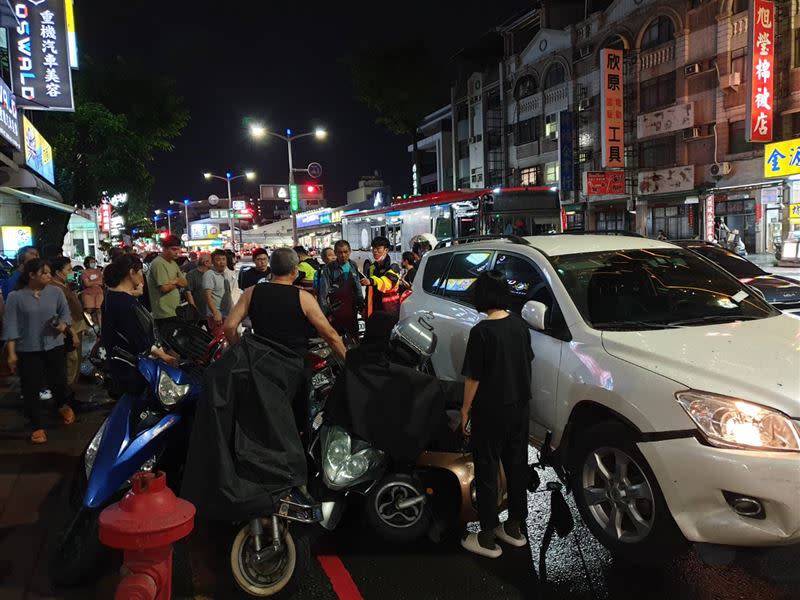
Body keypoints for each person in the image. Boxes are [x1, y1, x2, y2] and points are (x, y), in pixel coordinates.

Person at [459, 270, 533, 558]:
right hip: (520, 407)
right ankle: (514, 529)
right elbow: (527, 363)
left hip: (491, 411)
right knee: (516, 467)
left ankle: (487, 537)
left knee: (488, 469)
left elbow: (473, 379)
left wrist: (465, 411)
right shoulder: (520, 326)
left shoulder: (482, 332)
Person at [1, 259, 76, 444]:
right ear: (31, 275)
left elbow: (66, 314)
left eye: (50, 272)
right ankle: (37, 426)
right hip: (28, 350)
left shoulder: (56, 292)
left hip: (54, 346)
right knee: (30, 388)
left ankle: (61, 404)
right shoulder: (15, 297)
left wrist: (64, 326)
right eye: (45, 273)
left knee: (58, 382)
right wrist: (11, 353)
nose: (49, 276)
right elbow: (11, 326)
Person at [224, 247, 346, 360]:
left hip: (262, 363)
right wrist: (348, 362)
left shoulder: (251, 292)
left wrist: (240, 353)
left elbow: (229, 327)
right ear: (294, 270)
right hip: (295, 364)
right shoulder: (303, 297)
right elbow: (329, 334)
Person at [102, 255, 177, 396]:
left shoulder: (112, 296)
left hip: (120, 362)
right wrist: (162, 355)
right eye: (140, 271)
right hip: (132, 367)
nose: (142, 275)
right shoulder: (125, 303)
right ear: (131, 272)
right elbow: (136, 337)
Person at [49, 257, 86, 400]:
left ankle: (70, 394)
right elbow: (61, 313)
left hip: (76, 325)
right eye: (68, 270)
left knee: (75, 361)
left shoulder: (64, 285)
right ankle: (67, 396)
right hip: (70, 329)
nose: (71, 272)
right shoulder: (56, 288)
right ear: (58, 272)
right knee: (71, 361)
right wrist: (71, 332)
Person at [317, 240, 365, 338]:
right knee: (337, 339)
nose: (343, 255)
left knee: (354, 338)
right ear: (336, 253)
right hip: (336, 312)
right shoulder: (328, 269)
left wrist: (361, 306)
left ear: (350, 251)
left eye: (346, 252)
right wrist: (326, 314)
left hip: (351, 310)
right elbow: (323, 293)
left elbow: (358, 287)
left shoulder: (353, 265)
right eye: (340, 252)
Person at [146, 236, 188, 338]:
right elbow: (164, 288)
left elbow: (185, 282)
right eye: (173, 249)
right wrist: (177, 281)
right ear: (164, 248)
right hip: (164, 312)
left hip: (174, 310)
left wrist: (175, 281)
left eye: (178, 249)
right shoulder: (158, 263)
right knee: (170, 344)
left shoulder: (173, 263)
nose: (177, 252)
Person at [360, 236, 400, 317]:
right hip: (373, 310)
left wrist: (371, 281)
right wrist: (366, 308)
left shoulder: (393, 266)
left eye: (378, 248)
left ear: (386, 250)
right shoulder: (372, 268)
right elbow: (369, 291)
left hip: (389, 311)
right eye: (373, 248)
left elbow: (387, 283)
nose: (375, 251)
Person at [203, 249, 232, 337]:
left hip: (227, 314)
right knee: (219, 341)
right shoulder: (209, 274)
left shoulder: (226, 274)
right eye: (218, 259)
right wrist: (215, 313)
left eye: (223, 259)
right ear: (212, 261)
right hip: (217, 316)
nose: (222, 262)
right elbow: (207, 296)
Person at [185, 253, 211, 324]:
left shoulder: (213, 273)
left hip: (211, 313)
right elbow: (188, 293)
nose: (213, 263)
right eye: (211, 260)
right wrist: (194, 309)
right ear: (205, 262)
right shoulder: (191, 274)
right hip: (197, 313)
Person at [81, 256, 105, 327]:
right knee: (89, 309)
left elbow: (101, 282)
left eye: (94, 262)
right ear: (87, 263)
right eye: (91, 262)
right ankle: (88, 325)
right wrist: (96, 282)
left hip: (99, 292)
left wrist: (92, 282)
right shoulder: (84, 272)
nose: (93, 263)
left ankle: (100, 328)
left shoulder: (98, 271)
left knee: (99, 309)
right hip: (88, 293)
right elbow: (87, 284)